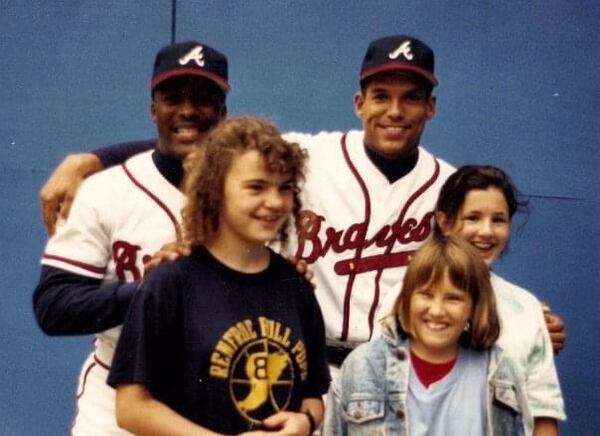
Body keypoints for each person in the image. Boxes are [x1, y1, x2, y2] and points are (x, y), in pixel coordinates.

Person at [37, 35, 565, 369]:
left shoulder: (449, 186)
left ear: (431, 107)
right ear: (360, 103)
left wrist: (523, 315)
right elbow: (219, 148)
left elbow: (470, 262)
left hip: (396, 368)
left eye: (411, 98)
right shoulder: (309, 156)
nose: (395, 111)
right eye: (381, 96)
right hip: (305, 364)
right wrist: (92, 159)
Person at [33, 40, 230, 435]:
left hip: (214, 394)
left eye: (203, 98)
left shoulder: (254, 189)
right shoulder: (102, 190)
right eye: (173, 97)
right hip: (117, 386)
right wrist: (153, 292)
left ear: (223, 114)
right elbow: (53, 306)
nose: (188, 110)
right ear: (153, 109)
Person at [107, 117, 330, 435]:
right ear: (215, 190)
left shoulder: (295, 284)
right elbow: (131, 407)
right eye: (256, 187)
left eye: (285, 188)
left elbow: (312, 395)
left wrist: (305, 422)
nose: (275, 202)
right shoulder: (170, 283)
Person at [324, 235, 533, 435]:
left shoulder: (500, 371)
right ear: (407, 298)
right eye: (426, 294)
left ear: (474, 306)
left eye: (453, 298)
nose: (436, 311)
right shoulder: (363, 367)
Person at [433, 164, 565, 431]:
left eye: (498, 220)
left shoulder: (525, 307)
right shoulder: (405, 298)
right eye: (472, 218)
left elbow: (543, 414)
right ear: (444, 222)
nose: (486, 232)